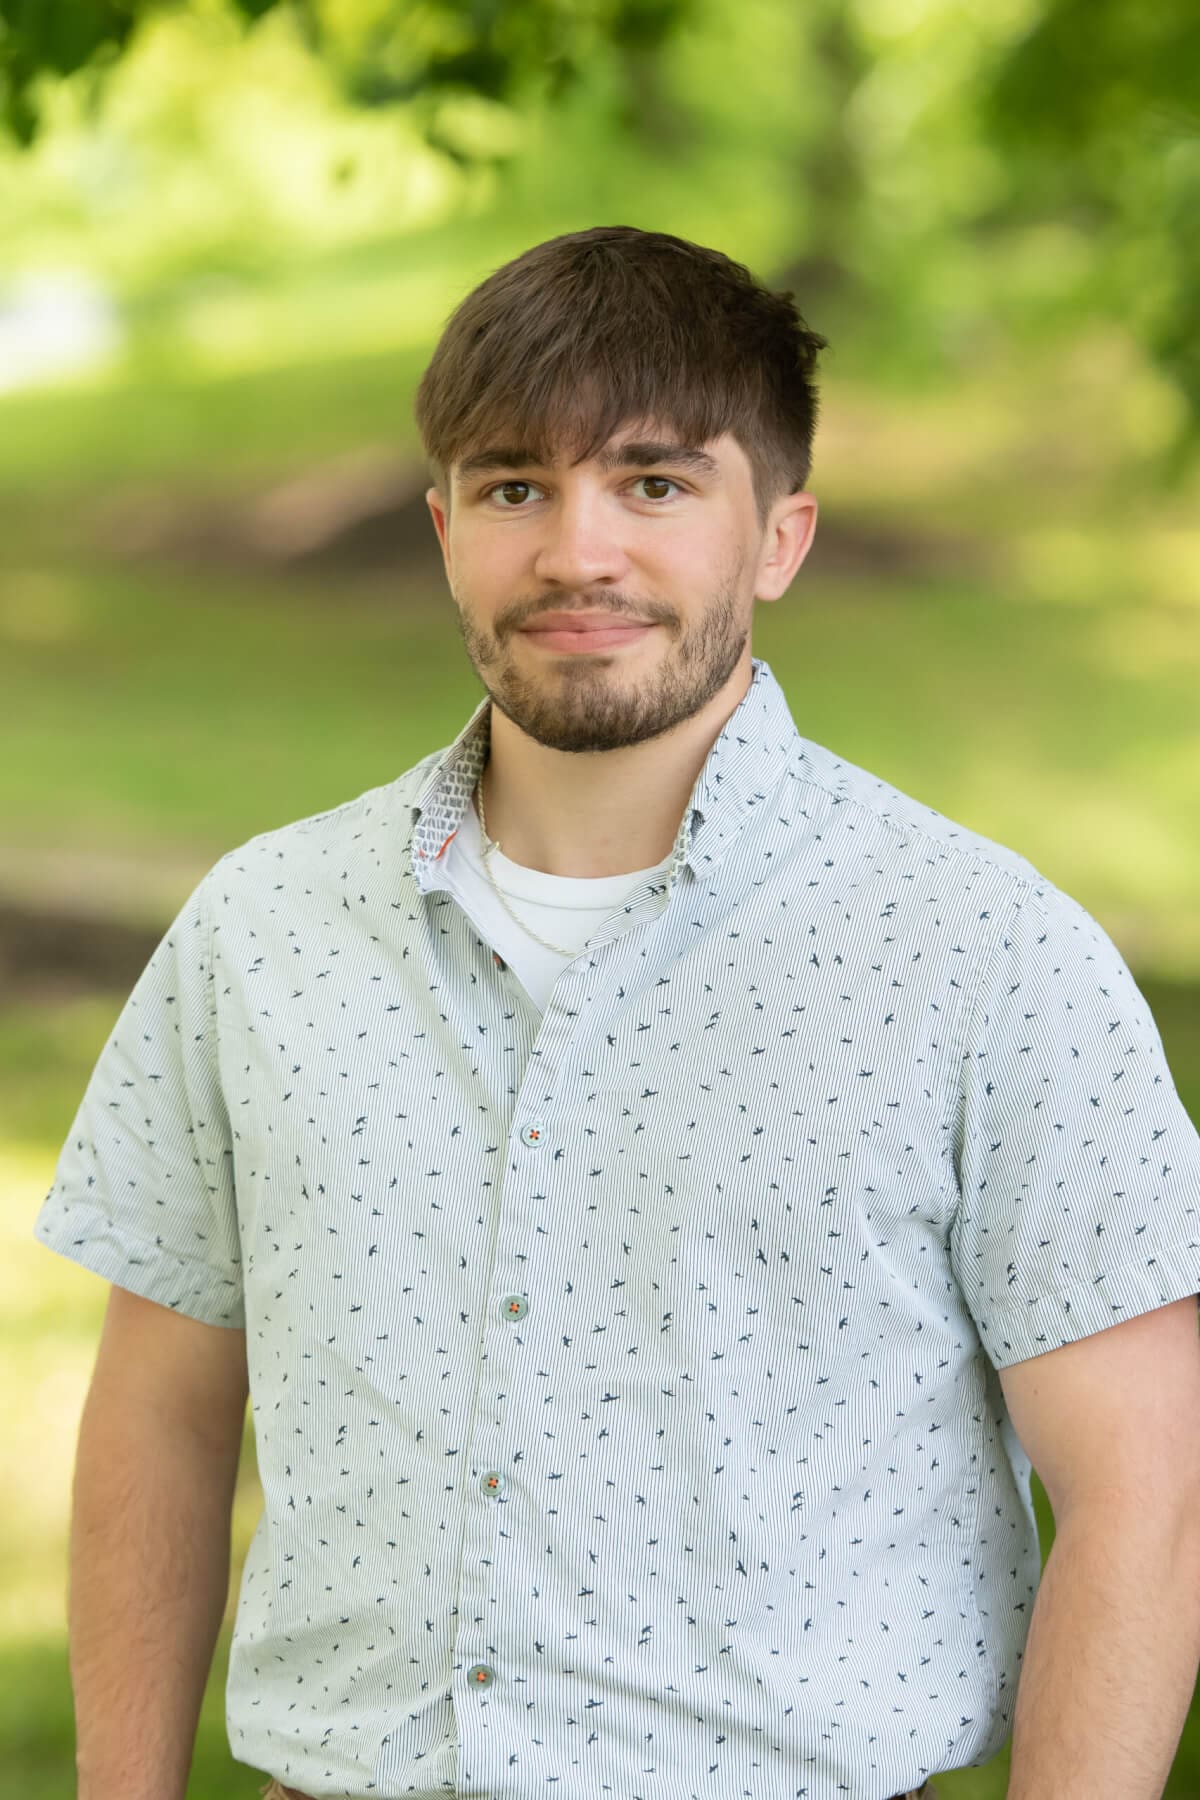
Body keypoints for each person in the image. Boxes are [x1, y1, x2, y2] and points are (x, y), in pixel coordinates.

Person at [35, 225, 1200, 1800]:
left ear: (779, 534)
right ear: (444, 526)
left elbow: (1148, 1492)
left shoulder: (984, 956)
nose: (579, 552)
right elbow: (159, 1420)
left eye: (654, 484)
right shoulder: (262, 932)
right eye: (517, 486)